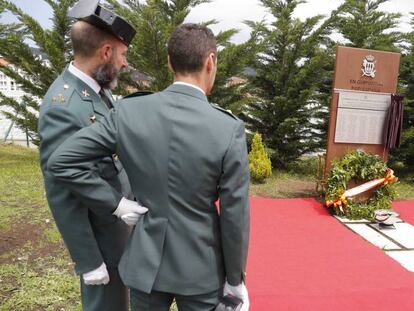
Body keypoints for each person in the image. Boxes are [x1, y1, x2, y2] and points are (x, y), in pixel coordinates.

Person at [47, 23, 250, 311]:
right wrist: (235, 280)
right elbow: (234, 215)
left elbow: (62, 161)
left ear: (169, 63)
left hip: (145, 264)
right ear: (211, 61)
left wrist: (115, 204)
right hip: (201, 267)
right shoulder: (228, 128)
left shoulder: (128, 112)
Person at [38, 0, 147, 310]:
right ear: (106, 53)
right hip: (99, 239)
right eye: (123, 55)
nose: (125, 64)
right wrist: (88, 260)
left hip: (116, 228)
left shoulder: (97, 88)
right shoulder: (63, 106)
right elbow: (61, 191)